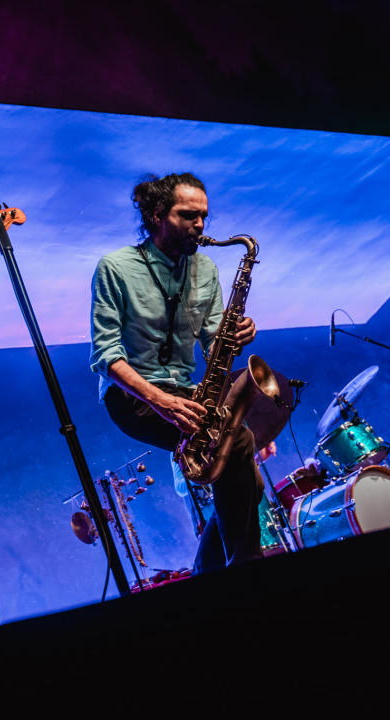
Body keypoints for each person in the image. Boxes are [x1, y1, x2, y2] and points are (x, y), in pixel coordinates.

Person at [90, 172, 263, 572]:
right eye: (188, 215)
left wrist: (236, 335)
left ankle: (207, 570)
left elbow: (213, 344)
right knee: (236, 443)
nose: (200, 225)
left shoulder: (206, 270)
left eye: (204, 216)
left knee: (246, 483)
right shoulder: (115, 267)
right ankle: (249, 563)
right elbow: (105, 355)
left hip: (186, 392)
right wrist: (161, 400)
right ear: (156, 215)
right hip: (131, 397)